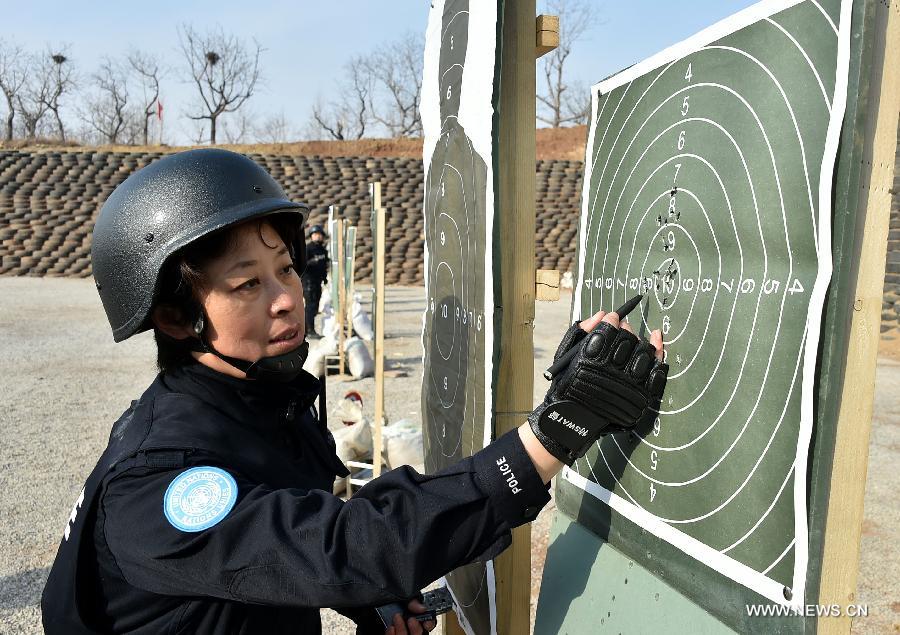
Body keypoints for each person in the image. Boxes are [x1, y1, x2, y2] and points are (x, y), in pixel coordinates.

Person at [41, 149, 668, 635]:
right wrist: (551, 435)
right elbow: (344, 547)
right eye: (245, 285)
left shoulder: (261, 405)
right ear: (177, 319)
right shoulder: (159, 482)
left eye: (285, 269)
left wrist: (379, 598)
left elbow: (320, 526)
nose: (288, 298)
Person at [302, 224, 329, 338]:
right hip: (308, 282)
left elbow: (324, 266)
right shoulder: (308, 249)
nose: (317, 237)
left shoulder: (323, 250)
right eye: (315, 235)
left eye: (319, 235)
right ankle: (309, 331)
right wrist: (311, 262)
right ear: (311, 236)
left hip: (318, 282)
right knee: (310, 307)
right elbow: (301, 265)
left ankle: (306, 330)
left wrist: (324, 278)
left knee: (315, 306)